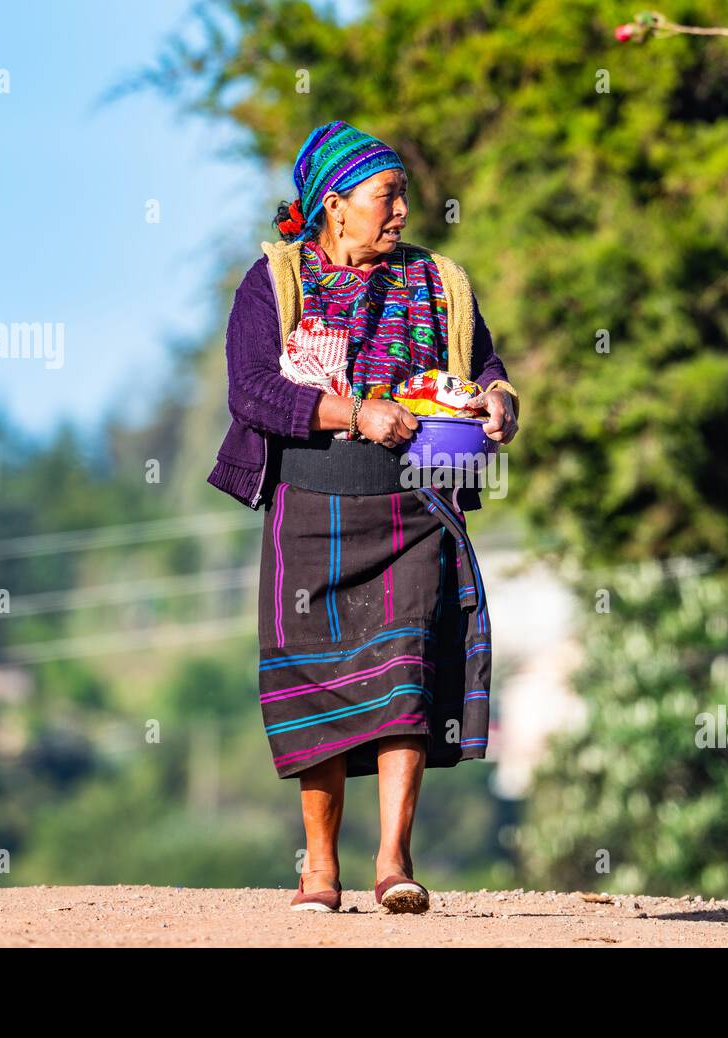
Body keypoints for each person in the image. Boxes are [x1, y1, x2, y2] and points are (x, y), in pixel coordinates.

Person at [206, 120, 521, 913]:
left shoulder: (439, 282)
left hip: (417, 501)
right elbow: (252, 392)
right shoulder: (275, 284)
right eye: (387, 196)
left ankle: (393, 863)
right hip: (310, 505)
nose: (402, 211)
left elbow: (482, 364)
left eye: (404, 195)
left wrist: (499, 400)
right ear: (334, 205)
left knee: (406, 675)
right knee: (316, 679)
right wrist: (353, 414)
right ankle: (319, 867)